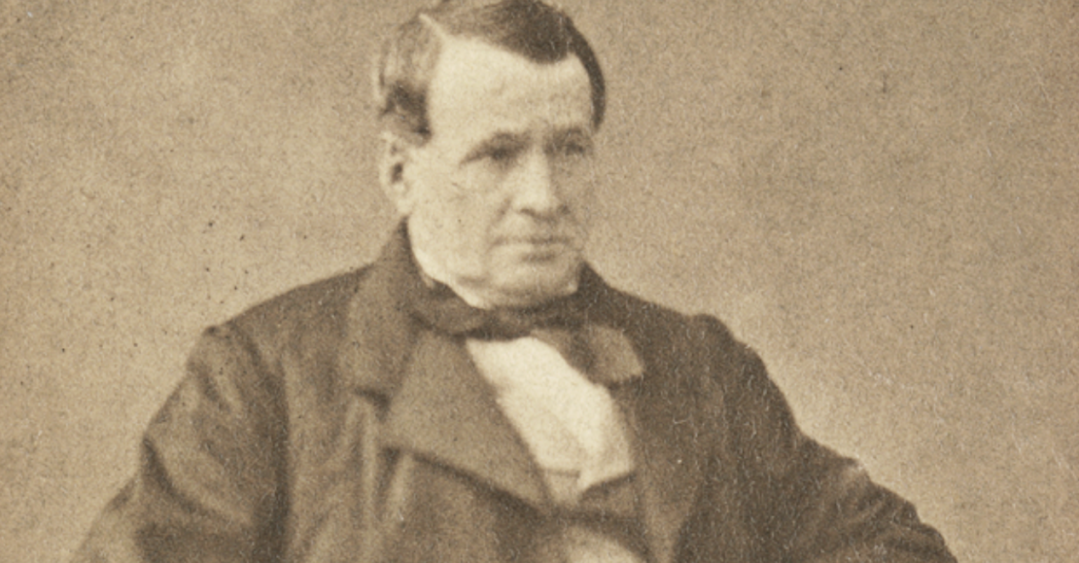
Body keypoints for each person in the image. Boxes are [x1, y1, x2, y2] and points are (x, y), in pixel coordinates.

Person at [75, 1, 957, 562]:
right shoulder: (269, 374)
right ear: (399, 170)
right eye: (497, 155)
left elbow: (891, 546)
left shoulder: (696, 363)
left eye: (569, 149)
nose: (544, 197)